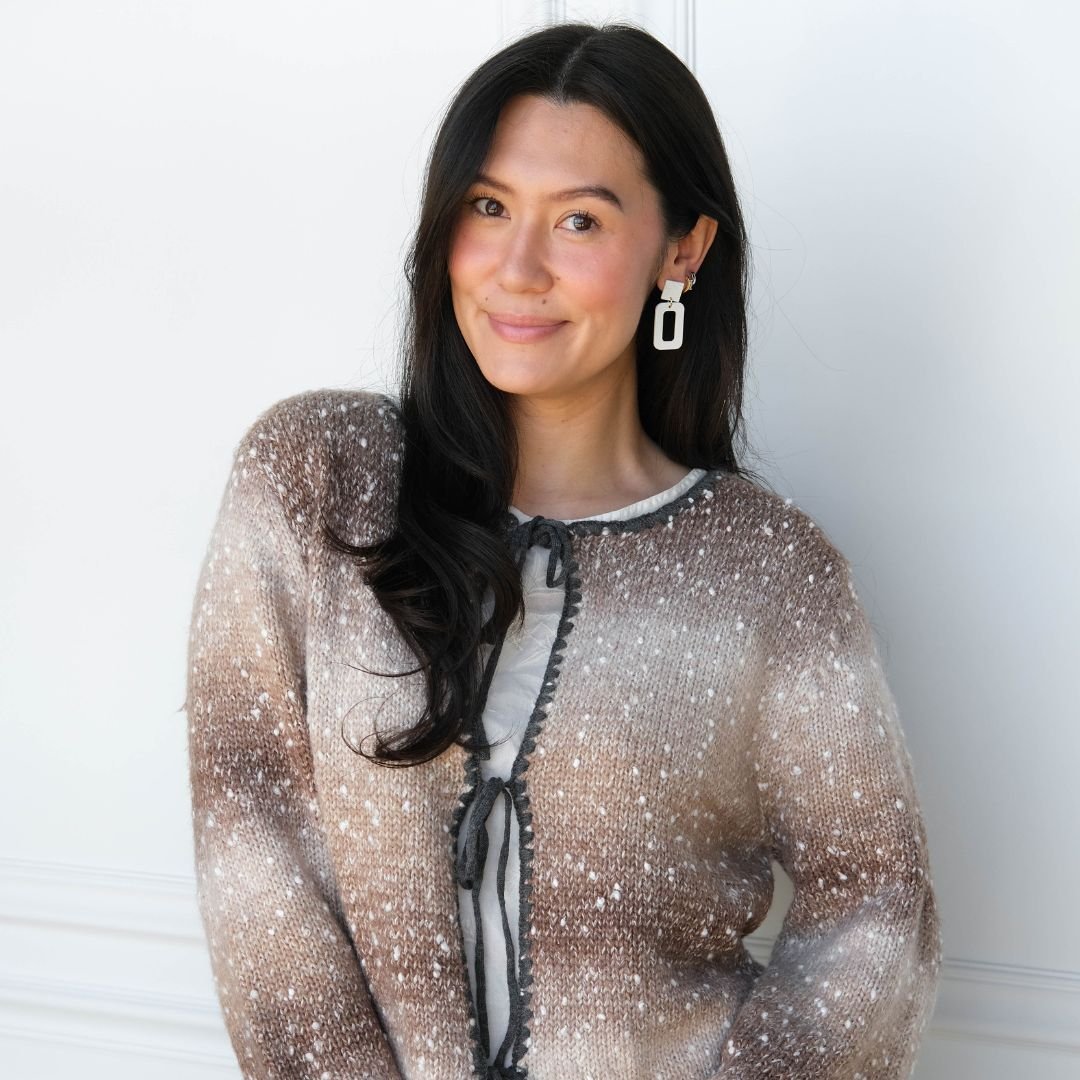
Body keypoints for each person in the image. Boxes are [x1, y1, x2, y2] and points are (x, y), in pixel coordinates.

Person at [185, 21, 943, 1080]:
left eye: (579, 220)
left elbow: (876, 901)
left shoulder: (769, 572)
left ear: (683, 251)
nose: (517, 268)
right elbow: (254, 835)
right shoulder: (319, 481)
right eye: (488, 207)